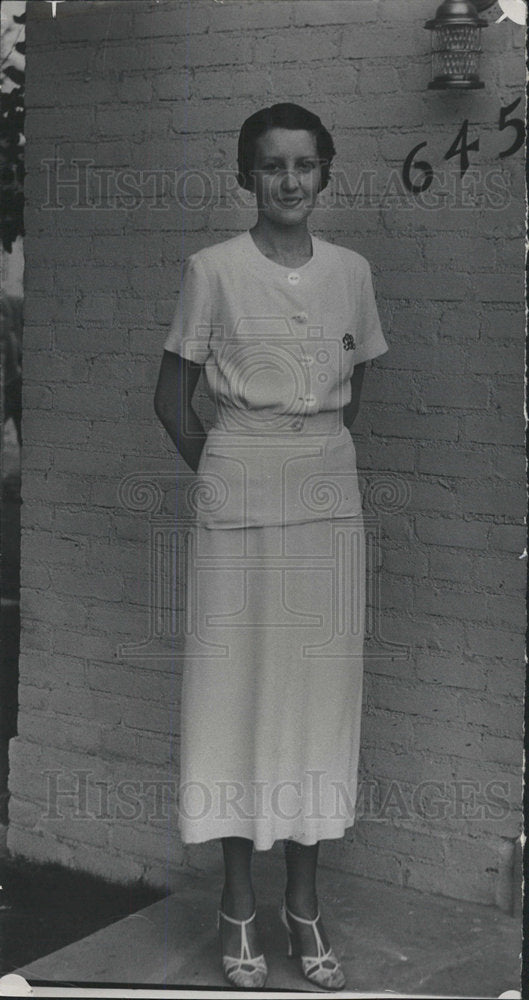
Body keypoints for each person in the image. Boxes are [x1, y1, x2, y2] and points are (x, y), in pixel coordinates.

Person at [154, 102, 388, 991]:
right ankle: (238, 905)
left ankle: (304, 905)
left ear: (325, 170)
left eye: (302, 164)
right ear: (244, 176)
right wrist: (230, 467)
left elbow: (351, 390)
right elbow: (173, 403)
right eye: (269, 166)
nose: (287, 180)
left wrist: (304, 458)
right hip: (238, 506)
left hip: (326, 499)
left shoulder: (352, 272)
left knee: (315, 703)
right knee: (234, 696)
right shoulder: (210, 271)